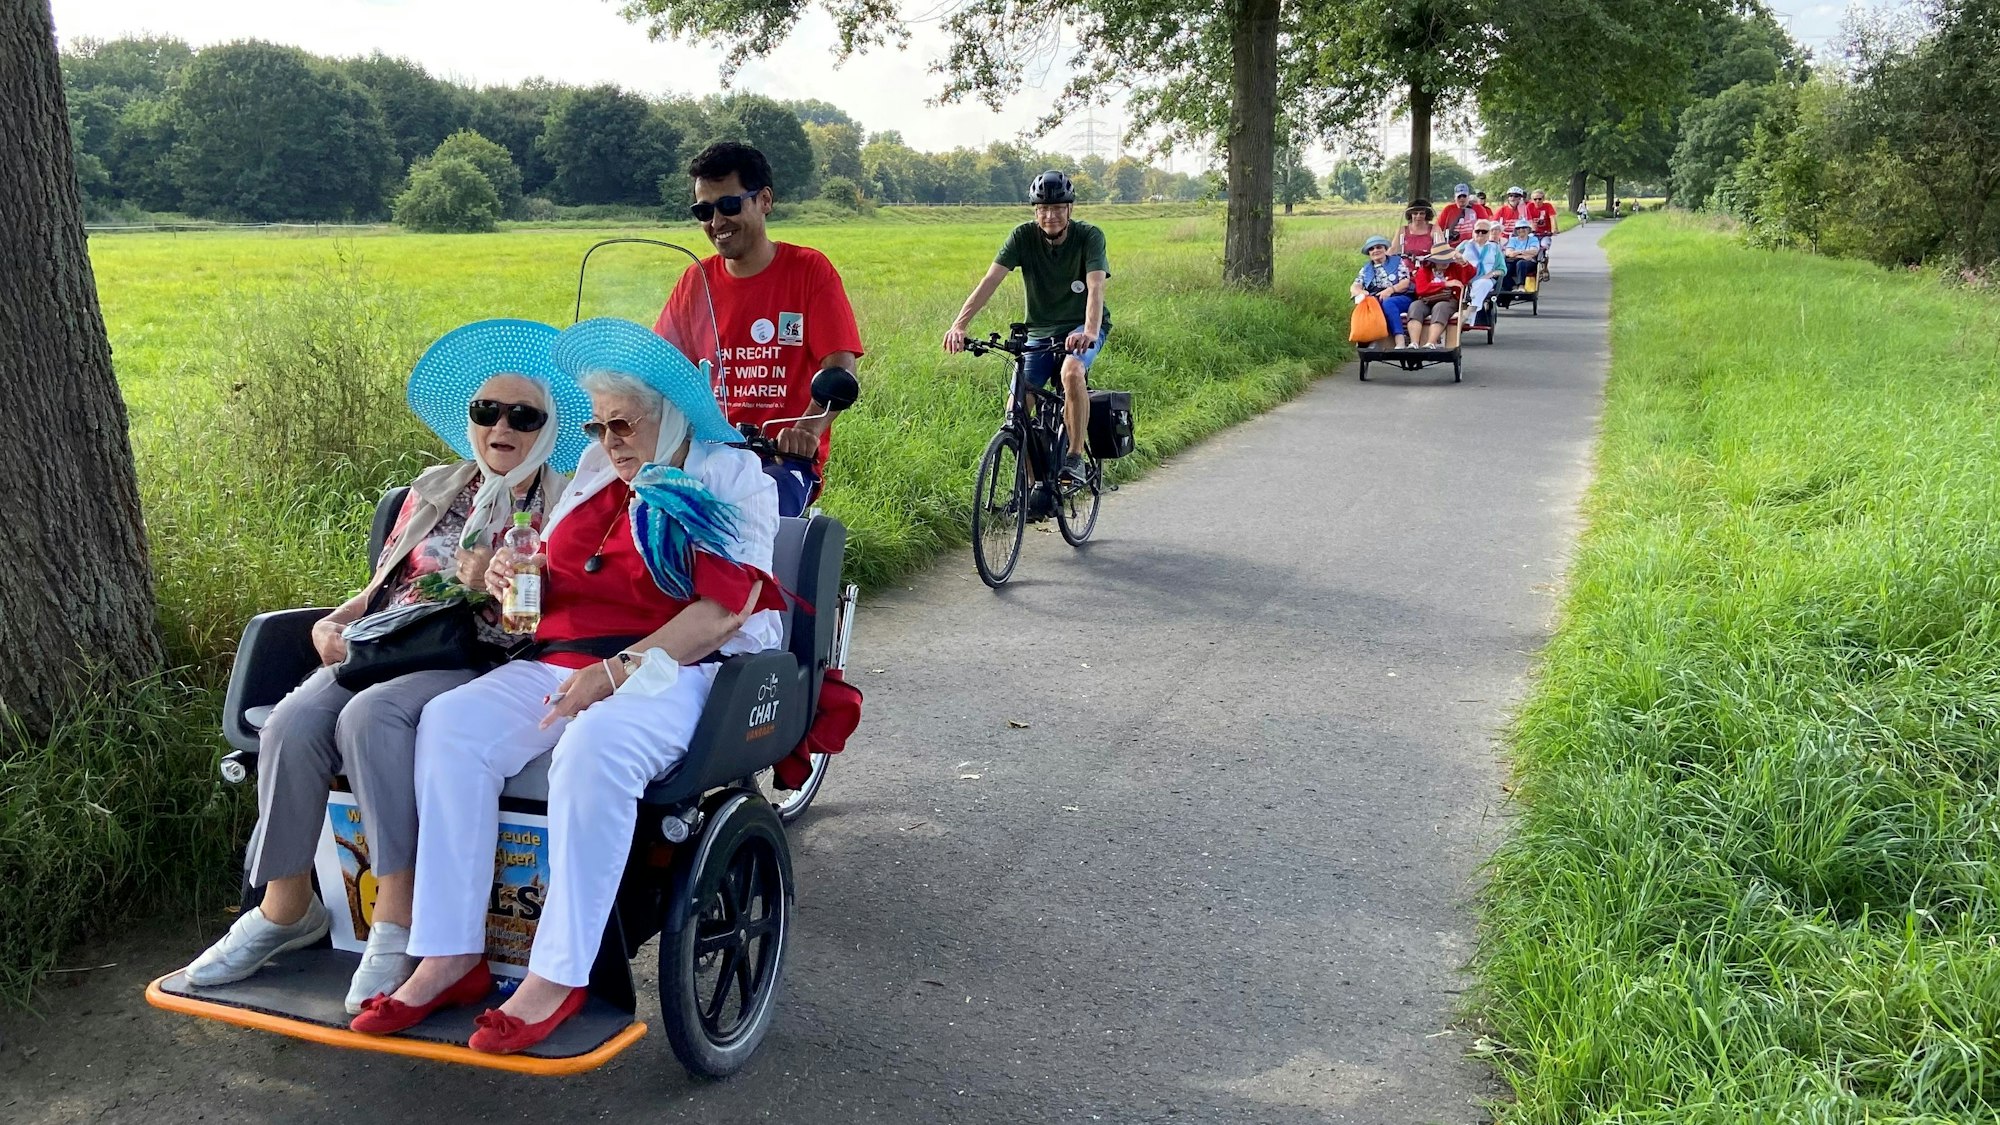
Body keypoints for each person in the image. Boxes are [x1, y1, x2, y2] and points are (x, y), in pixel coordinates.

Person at [355, 317, 788, 1053]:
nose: (609, 440)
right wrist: (504, 570)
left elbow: (720, 615)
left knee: (596, 744)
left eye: (625, 424)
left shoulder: (727, 475)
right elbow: (548, 567)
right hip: (565, 657)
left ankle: (559, 973)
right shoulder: (594, 469)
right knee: (452, 725)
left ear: (673, 416)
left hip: (676, 668)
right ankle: (450, 951)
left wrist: (615, 673)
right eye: (596, 424)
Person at [181, 320, 588, 1013]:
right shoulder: (435, 486)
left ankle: (394, 917)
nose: (502, 426)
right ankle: (285, 908)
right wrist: (339, 618)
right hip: (387, 639)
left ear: (547, 431)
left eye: (524, 416)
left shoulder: (559, 504)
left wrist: (491, 575)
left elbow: (535, 620)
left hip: (472, 656)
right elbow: (388, 580)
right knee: (292, 721)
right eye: (486, 411)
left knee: (371, 716)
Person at [655, 142, 864, 518]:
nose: (716, 222)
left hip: (782, 459)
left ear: (764, 200)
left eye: (729, 205)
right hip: (706, 455)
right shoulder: (695, 281)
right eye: (703, 211)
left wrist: (806, 431)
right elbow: (660, 367)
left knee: (754, 525)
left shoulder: (808, 271)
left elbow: (840, 368)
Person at [942, 169, 1110, 489]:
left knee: (1072, 373)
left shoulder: (1090, 236)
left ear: (1070, 209)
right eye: (1043, 209)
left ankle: (1074, 457)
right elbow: (990, 281)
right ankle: (1036, 487)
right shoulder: (1022, 236)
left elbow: (1095, 287)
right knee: (1016, 412)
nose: (1050, 216)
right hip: (1040, 330)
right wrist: (959, 325)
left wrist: (1088, 331)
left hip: (1080, 327)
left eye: (1058, 208)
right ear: (1035, 211)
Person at [1350, 236, 1412, 350]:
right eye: (1372, 249)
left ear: (1385, 249)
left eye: (1379, 247)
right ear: (1369, 253)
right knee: (1366, 307)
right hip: (1377, 298)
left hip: (1400, 297)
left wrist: (1390, 290)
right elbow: (1354, 286)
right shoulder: (1366, 269)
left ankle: (1400, 340)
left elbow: (1405, 282)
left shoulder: (1398, 262)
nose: (1375, 251)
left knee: (1388, 303)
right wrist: (1361, 291)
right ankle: (1368, 338)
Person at [1405, 244, 1472, 348]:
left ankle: (1431, 342)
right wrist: (1444, 284)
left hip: (1449, 300)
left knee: (1440, 307)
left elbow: (1469, 275)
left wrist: (1463, 261)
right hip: (1426, 299)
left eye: (1447, 260)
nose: (1445, 263)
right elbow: (1421, 289)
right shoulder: (1424, 270)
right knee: (1415, 306)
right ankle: (1414, 343)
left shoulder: (1455, 267)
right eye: (1442, 260)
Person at [1458, 221, 1506, 319]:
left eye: (1484, 231)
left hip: (1486, 279)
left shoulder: (1494, 247)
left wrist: (1491, 274)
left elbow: (1502, 269)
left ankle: (1470, 313)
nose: (1480, 234)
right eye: (1477, 231)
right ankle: (1470, 314)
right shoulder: (1465, 245)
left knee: (1481, 283)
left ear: (1489, 233)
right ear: (1473, 232)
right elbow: (1453, 258)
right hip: (1466, 278)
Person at [1502, 218, 1541, 291]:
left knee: (1521, 263)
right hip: (1515, 260)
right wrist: (1523, 255)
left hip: (1528, 263)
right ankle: (1513, 286)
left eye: (1524, 228)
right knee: (1504, 267)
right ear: (1516, 230)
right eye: (1518, 228)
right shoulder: (1513, 240)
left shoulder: (1533, 239)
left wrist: (1516, 253)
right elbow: (1509, 253)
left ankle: (1521, 286)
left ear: (1528, 229)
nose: (1521, 230)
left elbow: (1534, 251)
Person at [1527, 189, 1558, 279]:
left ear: (1543, 198)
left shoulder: (1548, 206)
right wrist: (1532, 228)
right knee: (1531, 247)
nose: (1537, 201)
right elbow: (1529, 219)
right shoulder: (1529, 206)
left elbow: (1552, 217)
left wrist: (1554, 229)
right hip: (1534, 233)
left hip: (1545, 233)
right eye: (1535, 199)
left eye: (1539, 199)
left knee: (1544, 246)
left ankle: (1545, 268)